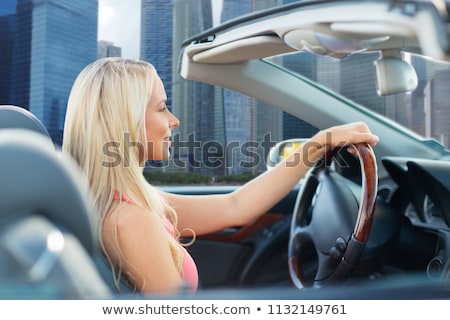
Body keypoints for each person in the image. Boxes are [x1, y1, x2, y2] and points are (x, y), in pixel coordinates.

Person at [62, 57, 379, 296]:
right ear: (126, 122)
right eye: (161, 108)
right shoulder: (130, 221)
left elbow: (235, 206)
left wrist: (318, 144)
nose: (174, 121)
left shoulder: (127, 203)